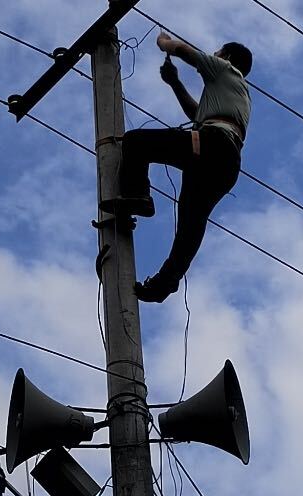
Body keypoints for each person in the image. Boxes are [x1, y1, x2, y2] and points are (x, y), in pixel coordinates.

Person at [100, 31, 252, 303]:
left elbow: (183, 49)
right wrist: (174, 83)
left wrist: (164, 43)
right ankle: (164, 283)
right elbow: (197, 115)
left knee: (136, 141)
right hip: (226, 161)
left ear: (226, 57)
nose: (214, 55)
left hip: (211, 144)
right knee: (190, 228)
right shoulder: (234, 94)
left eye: (218, 51)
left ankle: (137, 196)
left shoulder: (224, 69)